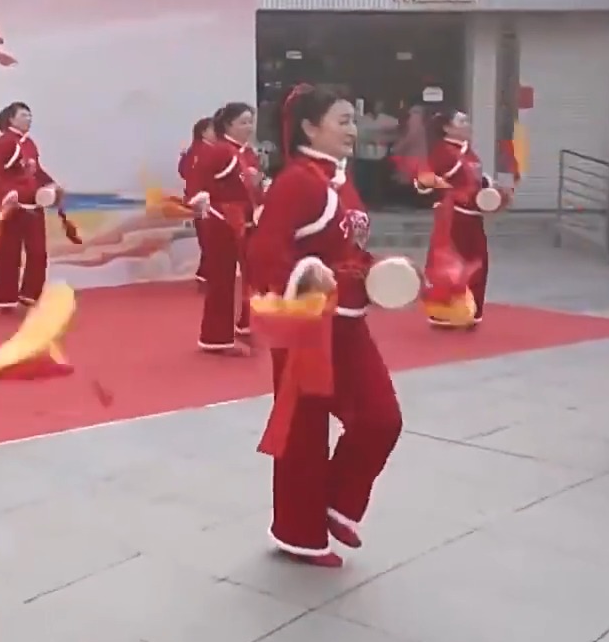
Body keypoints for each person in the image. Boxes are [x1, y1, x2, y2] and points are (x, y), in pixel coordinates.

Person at [245, 84, 407, 567]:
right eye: (343, 120)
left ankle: (336, 504)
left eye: (353, 120)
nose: (353, 129)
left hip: (348, 323)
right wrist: (307, 274)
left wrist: (381, 271)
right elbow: (263, 252)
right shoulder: (298, 182)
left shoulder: (340, 180)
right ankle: (300, 534)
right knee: (304, 432)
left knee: (381, 418)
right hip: (309, 327)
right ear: (310, 128)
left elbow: (348, 251)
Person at [183, 102, 263, 352]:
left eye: (251, 121)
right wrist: (201, 201)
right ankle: (216, 338)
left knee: (254, 275)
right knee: (222, 281)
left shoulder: (245, 152)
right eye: (243, 122)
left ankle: (247, 323)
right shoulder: (219, 151)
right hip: (222, 221)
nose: (249, 127)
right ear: (228, 125)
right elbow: (197, 181)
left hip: (246, 220)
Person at [416, 107, 495, 327]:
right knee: (450, 264)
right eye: (462, 122)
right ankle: (446, 312)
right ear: (447, 128)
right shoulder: (442, 152)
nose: (468, 125)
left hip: (472, 216)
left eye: (467, 121)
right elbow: (425, 180)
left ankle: (470, 311)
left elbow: (477, 180)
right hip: (453, 216)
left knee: (477, 264)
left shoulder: (468, 152)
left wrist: (490, 189)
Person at [0, 101, 58, 310]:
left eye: (30, 115)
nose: (29, 119)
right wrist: (5, 196)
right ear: (11, 119)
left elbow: (36, 172)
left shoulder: (29, 144)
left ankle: (30, 295)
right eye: (24, 115)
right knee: (8, 254)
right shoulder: (3, 144)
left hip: (33, 206)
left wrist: (51, 184)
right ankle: (5, 299)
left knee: (38, 252)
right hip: (12, 208)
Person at [178, 117, 216, 289]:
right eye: (213, 129)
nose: (217, 133)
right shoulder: (207, 152)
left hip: (198, 202)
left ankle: (205, 275)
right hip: (207, 203)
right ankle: (206, 275)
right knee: (211, 241)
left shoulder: (192, 152)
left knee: (208, 241)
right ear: (203, 132)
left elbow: (182, 172)